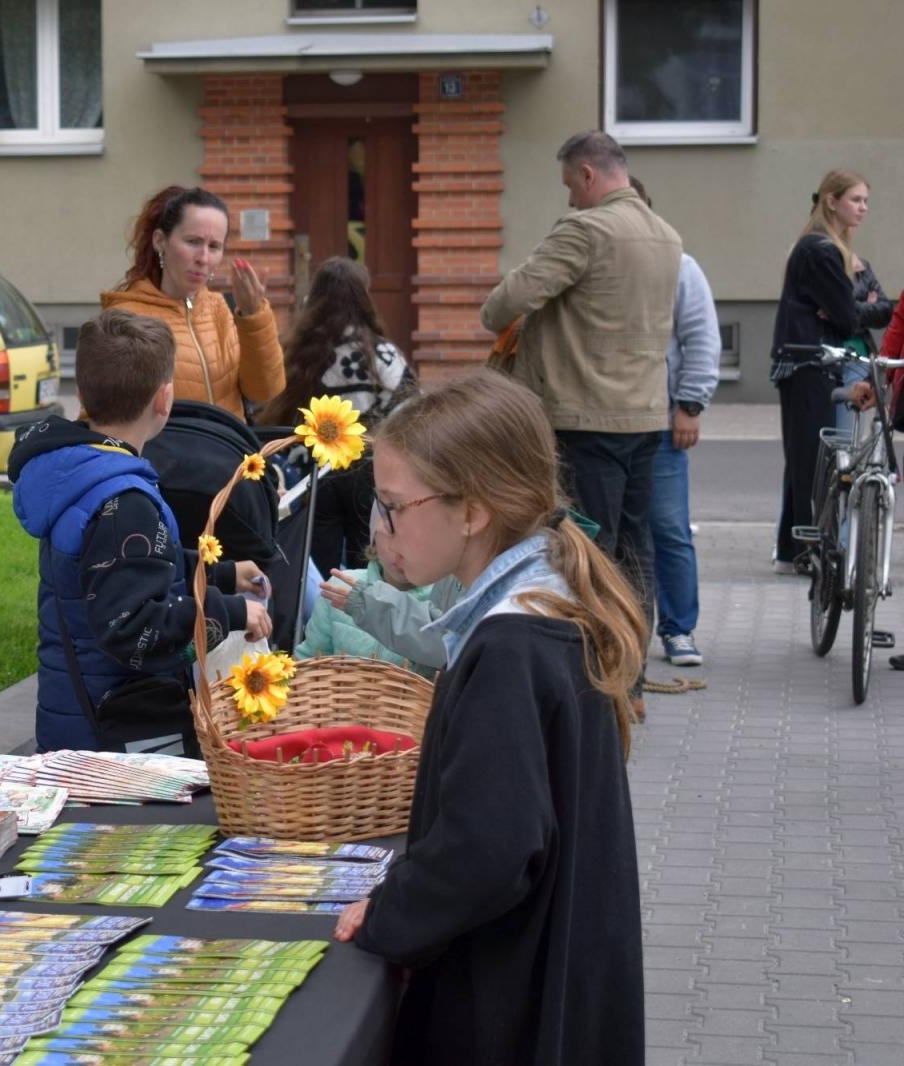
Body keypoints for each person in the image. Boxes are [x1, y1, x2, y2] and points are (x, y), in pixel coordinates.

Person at [331, 372, 645, 1065]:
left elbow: (490, 849)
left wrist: (393, 914)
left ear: (471, 512)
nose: (380, 529)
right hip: (552, 977)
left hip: (511, 1003)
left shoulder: (511, 644)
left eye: (393, 507)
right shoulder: (546, 603)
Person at [480, 130, 680, 710]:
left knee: (589, 553)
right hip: (645, 414)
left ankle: (598, 685)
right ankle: (632, 683)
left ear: (589, 175)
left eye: (570, 184)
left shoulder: (586, 230)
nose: (569, 198)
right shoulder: (666, 235)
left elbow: (502, 305)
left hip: (584, 414)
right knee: (636, 550)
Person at [10, 309, 271, 752]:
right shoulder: (124, 501)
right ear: (164, 399)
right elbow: (134, 628)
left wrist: (220, 573)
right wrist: (228, 612)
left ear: (83, 395)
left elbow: (126, 567)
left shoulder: (80, 474)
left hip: (79, 718)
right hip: (117, 737)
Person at [257, 256, 419, 576]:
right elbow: (411, 410)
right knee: (367, 566)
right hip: (370, 472)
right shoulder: (383, 354)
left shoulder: (298, 354)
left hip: (314, 475)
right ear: (364, 297)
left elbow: (273, 410)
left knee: (320, 570)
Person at [769, 170, 883, 573]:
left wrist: (852, 306)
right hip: (809, 362)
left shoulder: (829, 250)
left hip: (811, 362)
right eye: (856, 199)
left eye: (866, 201)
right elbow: (849, 318)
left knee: (805, 457)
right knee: (815, 460)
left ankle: (793, 552)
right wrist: (863, 305)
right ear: (831, 202)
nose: (863, 208)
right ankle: (809, 553)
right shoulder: (820, 250)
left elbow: (857, 311)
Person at [629, 177, 722, 668]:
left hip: (661, 422)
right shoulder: (590, 262)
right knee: (609, 531)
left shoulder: (680, 267)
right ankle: (620, 632)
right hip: (603, 421)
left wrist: (690, 404)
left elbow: (702, 337)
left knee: (667, 528)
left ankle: (679, 628)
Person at [101, 185, 285, 421]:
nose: (203, 258)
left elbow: (264, 392)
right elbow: (102, 417)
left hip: (229, 444)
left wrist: (253, 316)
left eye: (214, 246)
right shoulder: (126, 317)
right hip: (165, 446)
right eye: (193, 241)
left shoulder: (219, 308)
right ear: (160, 241)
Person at [301, 551, 458, 679]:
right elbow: (311, 658)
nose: (400, 553)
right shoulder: (340, 586)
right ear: (374, 541)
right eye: (391, 535)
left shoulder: (442, 604)